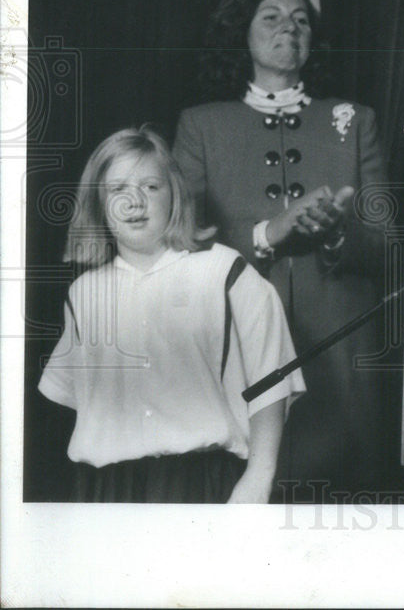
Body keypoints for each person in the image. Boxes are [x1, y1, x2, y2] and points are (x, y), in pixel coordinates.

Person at [173, 0, 393, 494]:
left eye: (300, 21)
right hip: (241, 349)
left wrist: (340, 235)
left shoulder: (354, 120)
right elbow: (179, 248)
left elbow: (388, 244)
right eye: (270, 17)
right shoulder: (202, 126)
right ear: (241, 33)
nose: (288, 29)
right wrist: (267, 233)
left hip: (342, 360)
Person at [38, 126, 304, 503]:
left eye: (150, 187)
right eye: (117, 190)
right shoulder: (83, 294)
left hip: (198, 483)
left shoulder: (226, 273)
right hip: (106, 490)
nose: (135, 202)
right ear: (98, 202)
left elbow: (272, 380)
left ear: (174, 195)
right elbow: (71, 400)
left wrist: (259, 478)